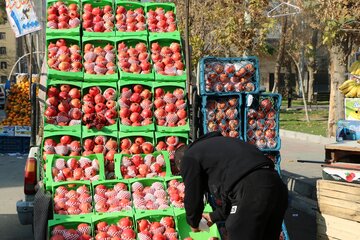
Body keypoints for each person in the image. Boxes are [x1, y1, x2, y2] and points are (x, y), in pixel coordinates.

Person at [174, 131, 288, 240]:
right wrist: (214, 216)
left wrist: (193, 221)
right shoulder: (218, 147)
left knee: (237, 228)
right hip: (276, 186)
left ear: (181, 163)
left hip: (252, 189)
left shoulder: (189, 157)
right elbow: (231, 190)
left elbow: (193, 194)